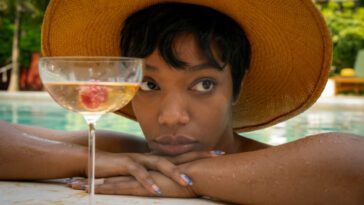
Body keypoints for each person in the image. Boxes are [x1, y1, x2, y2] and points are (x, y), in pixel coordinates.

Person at [1, 0, 364, 204]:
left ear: (237, 87)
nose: (172, 117)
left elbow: (353, 161)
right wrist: (89, 161)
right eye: (149, 84)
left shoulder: (277, 167)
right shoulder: (132, 157)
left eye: (204, 84)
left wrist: (193, 179)